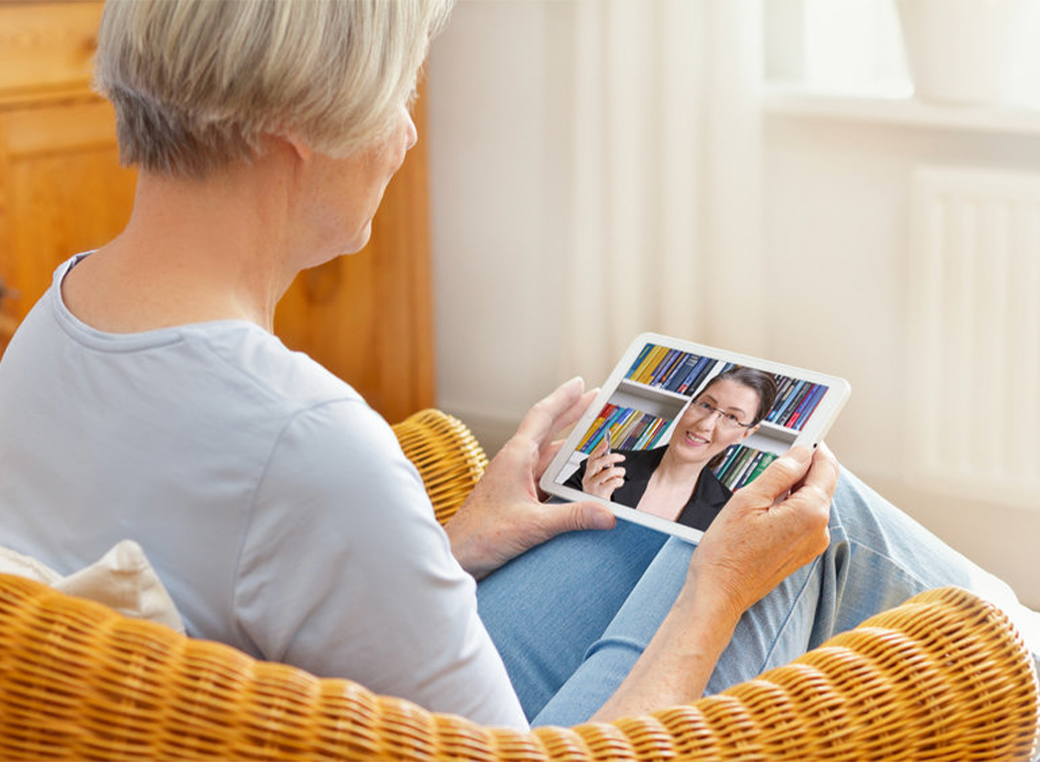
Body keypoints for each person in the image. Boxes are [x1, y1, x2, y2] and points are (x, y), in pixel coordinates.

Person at [0, 0, 1034, 735]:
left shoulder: (56, 321)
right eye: (397, 91)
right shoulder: (305, 441)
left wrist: (450, 545)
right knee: (795, 525)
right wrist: (719, 593)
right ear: (294, 132)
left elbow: (237, 600)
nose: (406, 133)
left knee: (678, 516)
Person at [565, 367, 777, 530]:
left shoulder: (729, 516)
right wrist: (591, 507)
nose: (705, 424)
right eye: (705, 405)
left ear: (746, 433)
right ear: (689, 405)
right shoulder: (601, 470)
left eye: (732, 417)